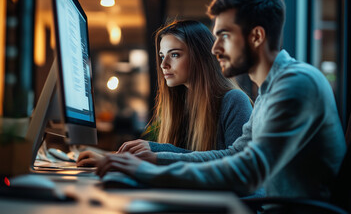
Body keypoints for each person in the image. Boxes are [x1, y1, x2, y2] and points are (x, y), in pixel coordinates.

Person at [95, 0, 346, 200]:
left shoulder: (296, 84)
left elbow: (247, 172)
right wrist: (155, 159)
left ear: (256, 36)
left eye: (224, 36)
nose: (214, 48)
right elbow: (235, 155)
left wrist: (145, 171)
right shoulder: (271, 90)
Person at [77, 20, 253, 167]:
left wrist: (156, 152)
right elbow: (188, 159)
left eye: (174, 55)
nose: (164, 65)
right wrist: (114, 159)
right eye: (162, 56)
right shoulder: (182, 104)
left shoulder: (234, 100)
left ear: (201, 58)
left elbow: (239, 164)